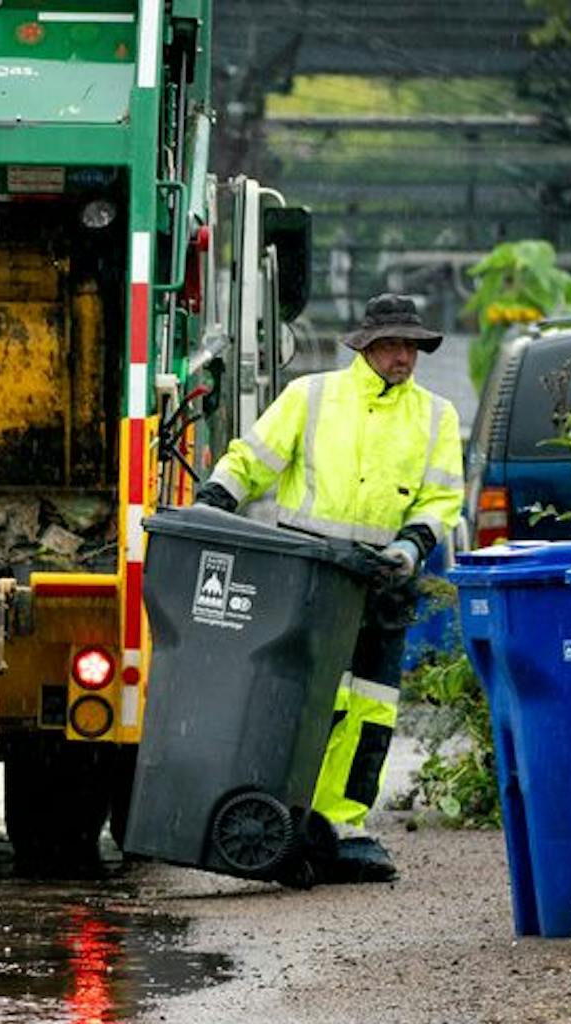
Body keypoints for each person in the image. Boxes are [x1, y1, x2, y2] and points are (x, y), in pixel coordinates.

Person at [189, 293, 465, 883]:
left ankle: (345, 826)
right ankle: (291, 818)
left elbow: (442, 497)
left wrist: (413, 544)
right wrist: (214, 501)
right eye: (392, 345)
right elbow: (253, 458)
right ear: (365, 347)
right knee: (307, 702)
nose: (403, 357)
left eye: (411, 346)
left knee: (370, 707)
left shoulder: (436, 416)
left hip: (383, 580)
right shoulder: (311, 398)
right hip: (309, 577)